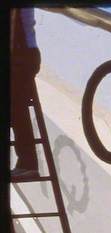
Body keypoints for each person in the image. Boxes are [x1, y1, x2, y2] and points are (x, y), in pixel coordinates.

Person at [10, 8, 41, 180]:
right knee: (16, 106)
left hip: (21, 57)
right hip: (23, 55)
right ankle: (27, 163)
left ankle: (28, 163)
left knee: (16, 106)